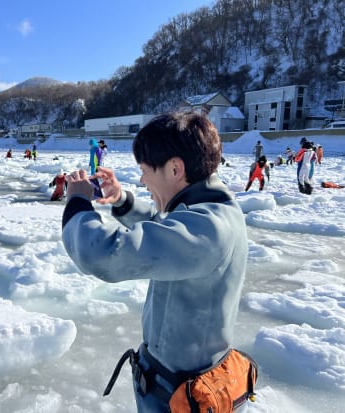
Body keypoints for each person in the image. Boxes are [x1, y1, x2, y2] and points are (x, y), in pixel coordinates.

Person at [62, 112, 248, 412]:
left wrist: (78, 202)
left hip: (182, 397)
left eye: (145, 170)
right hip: (172, 386)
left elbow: (104, 253)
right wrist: (123, 200)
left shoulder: (209, 229)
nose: (141, 179)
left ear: (175, 168)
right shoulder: (208, 209)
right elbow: (166, 229)